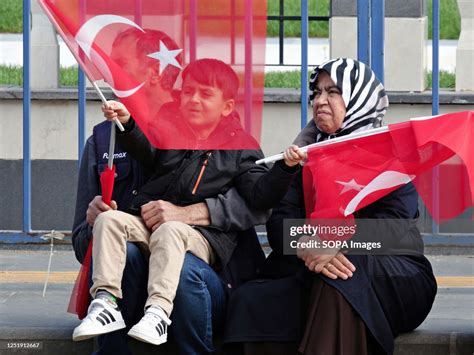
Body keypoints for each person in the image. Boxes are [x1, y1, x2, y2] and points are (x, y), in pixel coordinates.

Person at [72, 58, 304, 347]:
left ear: (228, 106)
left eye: (205, 94)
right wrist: (128, 124)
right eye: (188, 92)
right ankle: (105, 303)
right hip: (151, 232)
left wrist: (285, 169)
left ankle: (158, 311)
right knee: (109, 221)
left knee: (172, 230)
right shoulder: (165, 131)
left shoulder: (240, 146)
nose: (193, 100)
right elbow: (146, 148)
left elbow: (260, 195)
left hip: (200, 243)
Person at [224, 58, 437, 355]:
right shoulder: (303, 157)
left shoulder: (389, 156)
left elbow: (396, 230)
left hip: (391, 273)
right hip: (310, 265)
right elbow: (278, 225)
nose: (320, 100)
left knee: (339, 275)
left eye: (333, 92)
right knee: (253, 299)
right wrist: (309, 245)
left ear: (360, 99)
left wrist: (332, 243)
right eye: (316, 93)